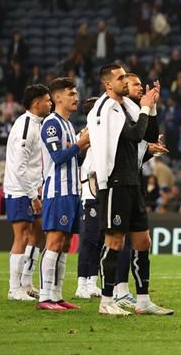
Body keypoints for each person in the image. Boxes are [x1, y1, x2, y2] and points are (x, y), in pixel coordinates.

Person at [88, 64, 171, 316]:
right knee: (114, 241)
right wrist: (144, 106)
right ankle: (106, 300)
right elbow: (136, 134)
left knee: (142, 241)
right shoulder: (106, 108)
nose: (125, 81)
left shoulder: (128, 105)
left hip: (133, 180)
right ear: (107, 84)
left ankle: (143, 301)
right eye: (120, 77)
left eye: (126, 76)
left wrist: (152, 105)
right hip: (114, 181)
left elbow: (149, 135)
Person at [38, 77, 90, 310]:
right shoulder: (52, 123)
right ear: (57, 97)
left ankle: (57, 295)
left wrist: (82, 147)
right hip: (57, 191)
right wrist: (80, 144)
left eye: (76, 93)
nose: (75, 97)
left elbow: (71, 159)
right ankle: (44, 297)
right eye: (70, 93)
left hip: (72, 190)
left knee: (66, 242)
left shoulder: (69, 124)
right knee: (54, 241)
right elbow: (58, 158)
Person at [3, 84, 50, 301]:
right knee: (21, 235)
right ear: (36, 103)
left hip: (33, 188)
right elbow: (19, 167)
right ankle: (15, 289)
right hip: (20, 190)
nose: (50, 103)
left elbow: (33, 163)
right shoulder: (25, 127)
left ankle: (27, 282)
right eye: (47, 100)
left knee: (38, 232)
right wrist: (32, 195)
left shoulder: (38, 125)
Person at [75, 97, 103, 300]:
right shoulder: (85, 133)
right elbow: (78, 159)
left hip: (102, 190)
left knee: (99, 241)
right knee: (89, 240)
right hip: (89, 192)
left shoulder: (103, 132)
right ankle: (80, 284)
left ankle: (92, 282)